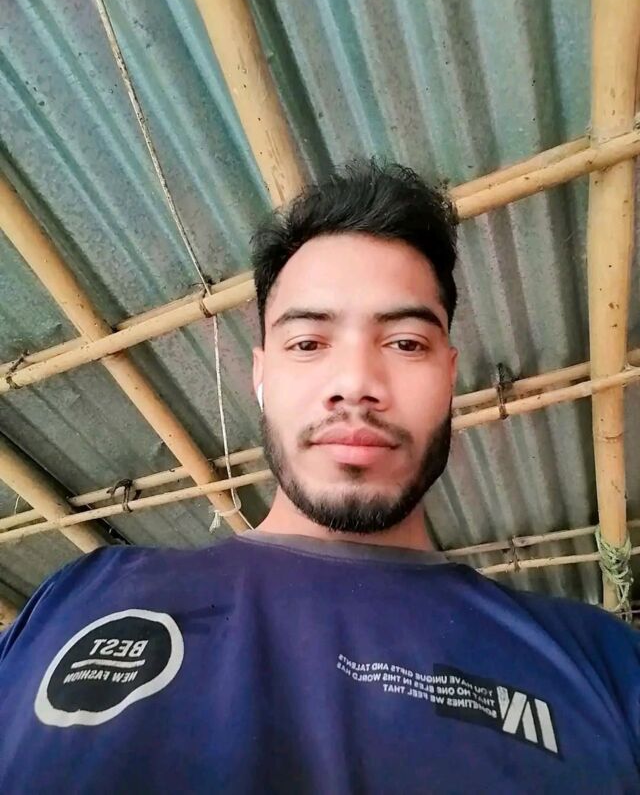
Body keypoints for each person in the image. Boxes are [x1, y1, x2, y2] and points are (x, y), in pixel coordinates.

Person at [0, 159, 639, 794]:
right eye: (307, 343)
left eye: (406, 343)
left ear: (449, 376)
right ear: (261, 375)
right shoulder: (79, 595)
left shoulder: (604, 665)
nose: (355, 383)